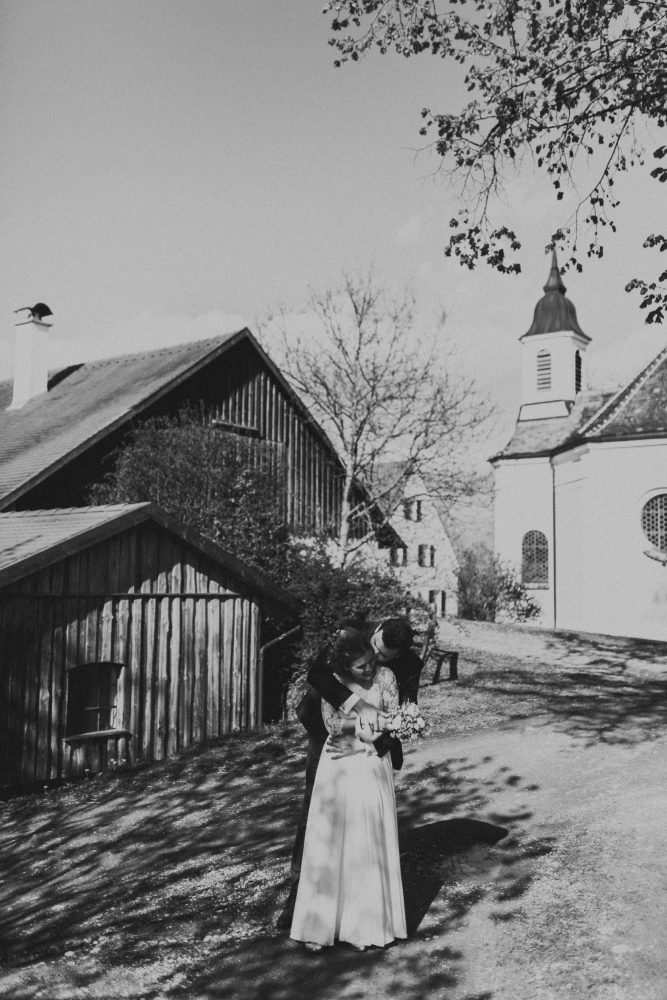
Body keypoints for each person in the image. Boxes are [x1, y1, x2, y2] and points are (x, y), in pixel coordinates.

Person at [276, 617, 423, 930]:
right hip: (328, 732)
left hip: (372, 744)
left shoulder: (410, 663)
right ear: (376, 632)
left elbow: (404, 708)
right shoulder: (351, 630)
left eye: (385, 658)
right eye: (375, 650)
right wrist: (357, 707)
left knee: (365, 817)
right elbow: (318, 674)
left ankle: (359, 906)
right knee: (317, 810)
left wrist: (385, 733)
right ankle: (300, 894)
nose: (376, 661)